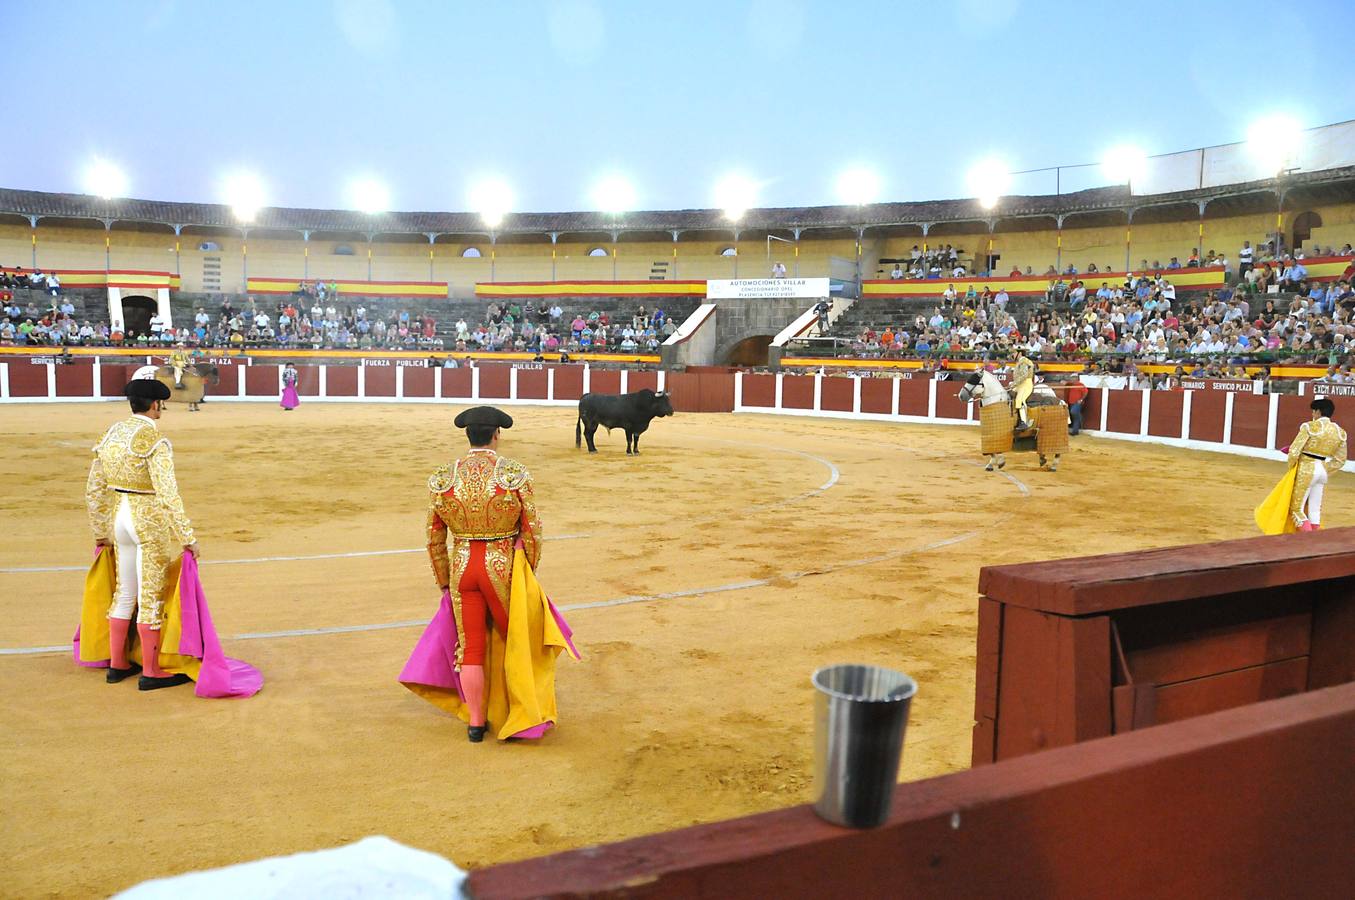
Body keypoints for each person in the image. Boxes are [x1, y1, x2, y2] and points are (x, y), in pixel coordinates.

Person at [400, 406, 577, 742]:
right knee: (517, 641)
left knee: (471, 650)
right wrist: (527, 570)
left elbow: (434, 537)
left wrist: (443, 579)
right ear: (497, 434)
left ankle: (477, 724)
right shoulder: (514, 474)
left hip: (463, 567)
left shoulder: (444, 477)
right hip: (501, 566)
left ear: (468, 436)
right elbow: (533, 529)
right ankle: (519, 711)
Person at [83, 370, 200, 690]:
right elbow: (168, 494)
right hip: (147, 520)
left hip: (119, 518)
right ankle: (151, 671)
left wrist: (100, 530)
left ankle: (118, 664)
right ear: (156, 406)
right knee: (151, 596)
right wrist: (187, 536)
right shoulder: (155, 440)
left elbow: (93, 490)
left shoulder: (111, 433)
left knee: (124, 591)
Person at [1256, 397, 1348, 534]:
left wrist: (1293, 468)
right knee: (1314, 509)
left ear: (1318, 411)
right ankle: (1316, 539)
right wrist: (1324, 469)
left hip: (1306, 469)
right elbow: (1340, 460)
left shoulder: (1309, 426)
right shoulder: (1340, 432)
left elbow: (1294, 451)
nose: (1312, 415)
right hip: (1322, 472)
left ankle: (1309, 540)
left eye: (1313, 412)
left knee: (1296, 509)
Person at [1009, 351, 1036, 429]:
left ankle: (1023, 422)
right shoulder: (1020, 362)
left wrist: (1014, 384)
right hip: (1020, 384)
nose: (1012, 355)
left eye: (1013, 353)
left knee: (1019, 400)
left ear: (1019, 353)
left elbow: (1024, 375)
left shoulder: (1025, 362)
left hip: (1026, 384)